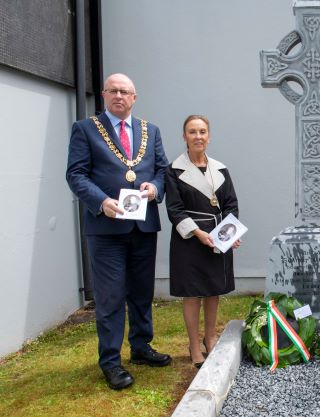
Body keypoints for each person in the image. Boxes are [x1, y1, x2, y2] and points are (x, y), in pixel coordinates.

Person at [66, 73, 171, 390]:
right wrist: (101, 201)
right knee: (110, 297)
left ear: (134, 97)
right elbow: (76, 174)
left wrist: (154, 187)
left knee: (141, 292)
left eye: (125, 91)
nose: (119, 96)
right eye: (113, 90)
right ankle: (111, 362)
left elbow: (162, 169)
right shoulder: (84, 129)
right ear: (103, 94)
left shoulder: (150, 131)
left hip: (143, 224)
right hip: (106, 228)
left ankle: (141, 348)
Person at [165, 115, 240, 368]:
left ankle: (210, 338)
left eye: (202, 131)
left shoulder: (220, 169)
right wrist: (198, 233)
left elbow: (230, 205)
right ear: (184, 136)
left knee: (213, 290)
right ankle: (194, 345)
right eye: (192, 132)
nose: (198, 136)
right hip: (190, 239)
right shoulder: (173, 170)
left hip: (218, 236)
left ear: (209, 136)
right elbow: (175, 209)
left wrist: (230, 234)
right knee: (192, 294)